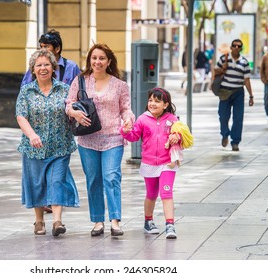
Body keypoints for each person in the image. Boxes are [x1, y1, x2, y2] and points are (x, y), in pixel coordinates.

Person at [65, 43, 135, 237]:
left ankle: (115, 220)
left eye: (102, 58)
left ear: (109, 61)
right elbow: (68, 104)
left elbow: (126, 109)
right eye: (94, 58)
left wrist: (128, 120)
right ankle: (97, 220)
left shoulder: (120, 85)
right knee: (93, 179)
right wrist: (74, 113)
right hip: (87, 139)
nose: (97, 62)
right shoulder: (80, 81)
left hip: (113, 137)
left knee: (111, 177)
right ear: (90, 60)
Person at [16, 49, 79, 236]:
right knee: (37, 184)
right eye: (39, 65)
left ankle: (57, 221)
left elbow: (71, 109)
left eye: (47, 65)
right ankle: (39, 221)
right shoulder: (26, 91)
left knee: (57, 181)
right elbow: (21, 116)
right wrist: (32, 135)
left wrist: (74, 113)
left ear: (53, 68)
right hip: (34, 147)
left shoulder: (65, 90)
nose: (43, 68)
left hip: (60, 146)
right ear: (33, 70)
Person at [120, 87, 180, 239]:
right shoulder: (142, 119)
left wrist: (177, 136)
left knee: (166, 193)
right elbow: (134, 137)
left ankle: (170, 225)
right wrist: (126, 130)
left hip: (168, 163)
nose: (152, 103)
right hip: (149, 163)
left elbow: (182, 134)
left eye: (157, 101)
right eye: (151, 100)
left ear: (165, 105)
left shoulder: (172, 119)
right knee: (151, 194)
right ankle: (148, 221)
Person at [214, 39, 254, 152]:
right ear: (231, 47)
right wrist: (223, 68)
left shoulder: (244, 62)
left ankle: (235, 142)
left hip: (238, 92)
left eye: (239, 46)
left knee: (238, 118)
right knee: (223, 116)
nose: (236, 47)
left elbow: (246, 80)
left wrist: (251, 96)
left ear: (241, 48)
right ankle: (225, 134)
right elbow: (215, 72)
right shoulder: (223, 59)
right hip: (224, 91)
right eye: (234, 45)